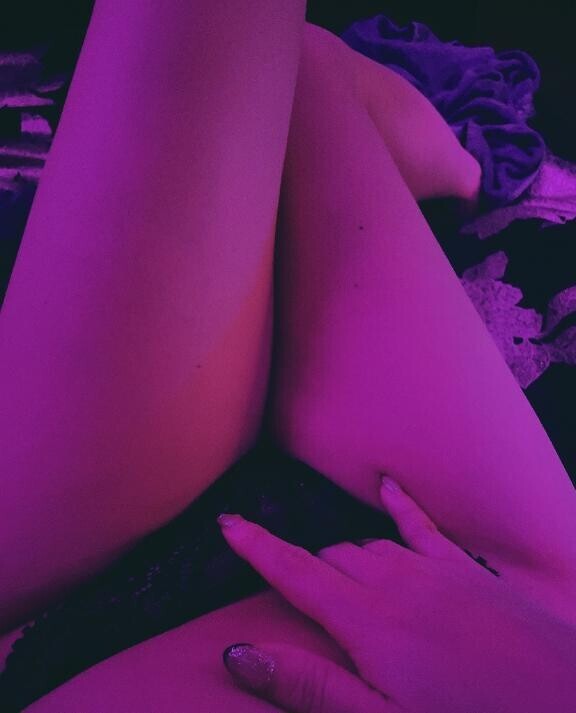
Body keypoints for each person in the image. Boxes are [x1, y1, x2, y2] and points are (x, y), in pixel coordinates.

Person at [0, 2, 575, 710]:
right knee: (293, 67)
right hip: (524, 606)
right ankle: (466, 173)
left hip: (38, 594)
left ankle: (461, 169)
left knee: (284, 74)